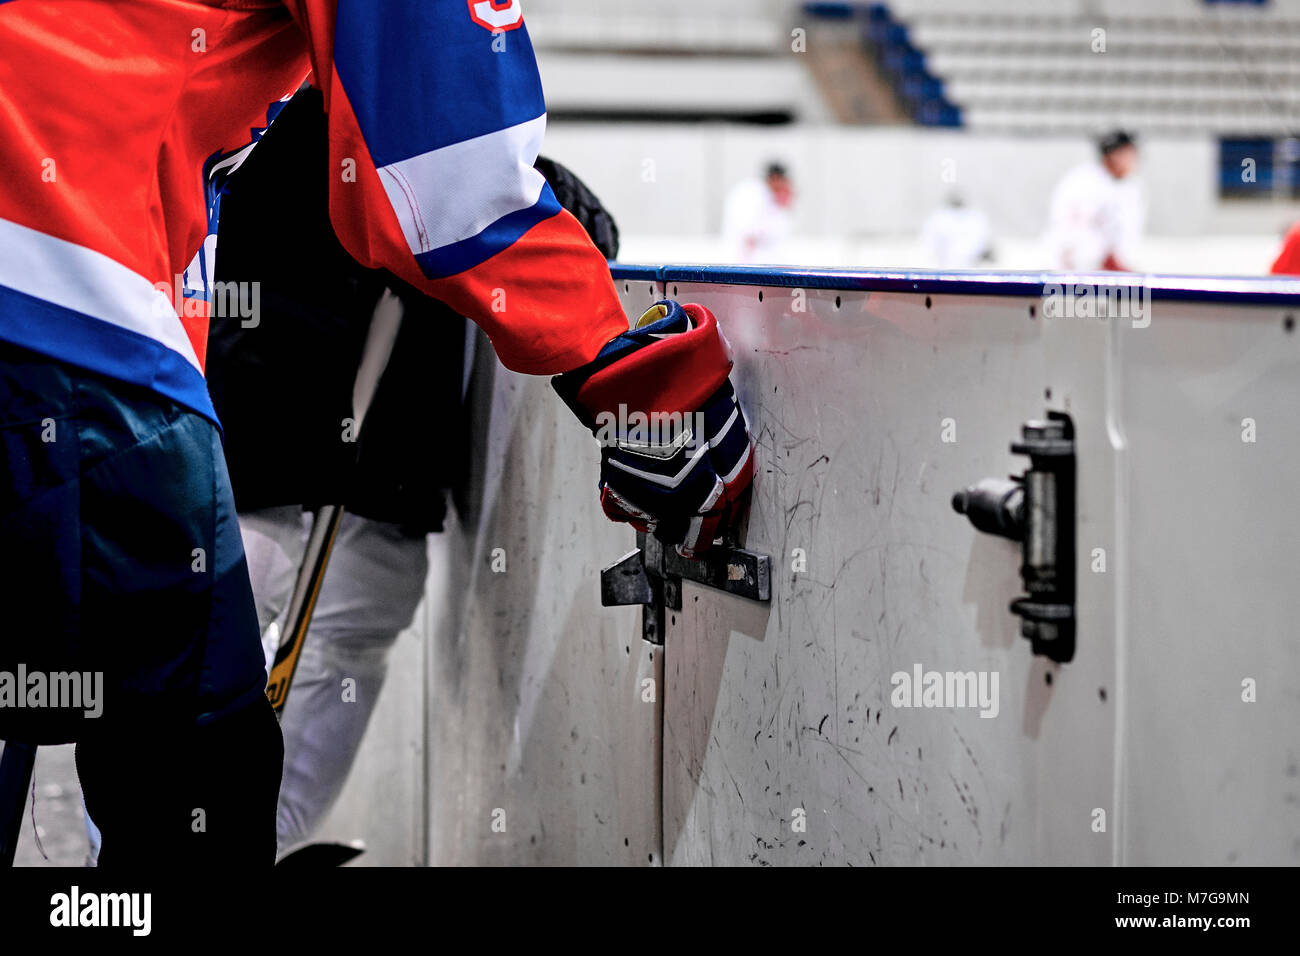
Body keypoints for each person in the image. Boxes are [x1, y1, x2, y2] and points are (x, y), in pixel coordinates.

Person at [0, 1, 753, 866]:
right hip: (67, 316)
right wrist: (634, 382)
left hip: (93, 335)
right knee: (197, 786)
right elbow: (443, 164)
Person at [204, 86, 622, 858]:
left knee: (306, 653)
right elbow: (447, 172)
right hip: (271, 444)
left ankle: (225, 848)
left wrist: (546, 192)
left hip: (351, 456)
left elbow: (474, 183)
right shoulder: (326, 71)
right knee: (205, 664)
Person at [1044, 130, 1145, 272]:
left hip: (1107, 272)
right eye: (1127, 152)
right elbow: (1073, 229)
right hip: (1074, 270)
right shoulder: (1083, 181)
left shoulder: (1132, 187)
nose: (1133, 158)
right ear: (1112, 155)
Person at [721, 162, 796, 263]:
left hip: (753, 260)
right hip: (744, 261)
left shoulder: (767, 197)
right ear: (775, 178)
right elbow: (749, 231)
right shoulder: (754, 193)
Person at [920, 193, 993, 269]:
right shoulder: (939, 218)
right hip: (946, 267)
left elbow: (983, 243)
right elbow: (929, 243)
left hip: (970, 267)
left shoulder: (976, 218)